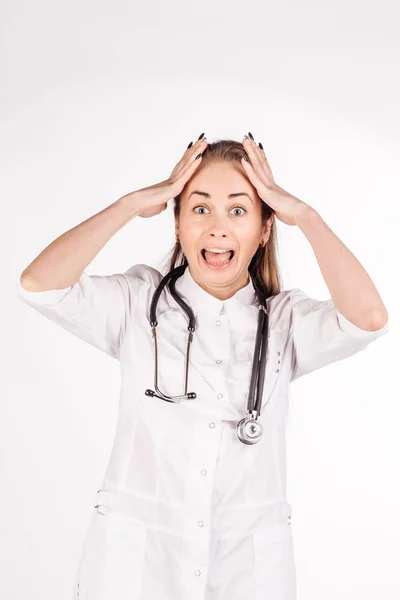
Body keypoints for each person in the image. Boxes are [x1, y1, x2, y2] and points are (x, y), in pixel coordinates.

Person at [16, 132, 389, 600]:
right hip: (136, 566)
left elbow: (368, 319)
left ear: (264, 228)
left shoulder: (285, 321)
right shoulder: (136, 304)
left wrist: (305, 216)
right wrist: (132, 204)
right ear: (177, 223)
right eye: (199, 208)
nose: (217, 227)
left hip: (248, 570)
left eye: (238, 210)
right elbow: (39, 285)